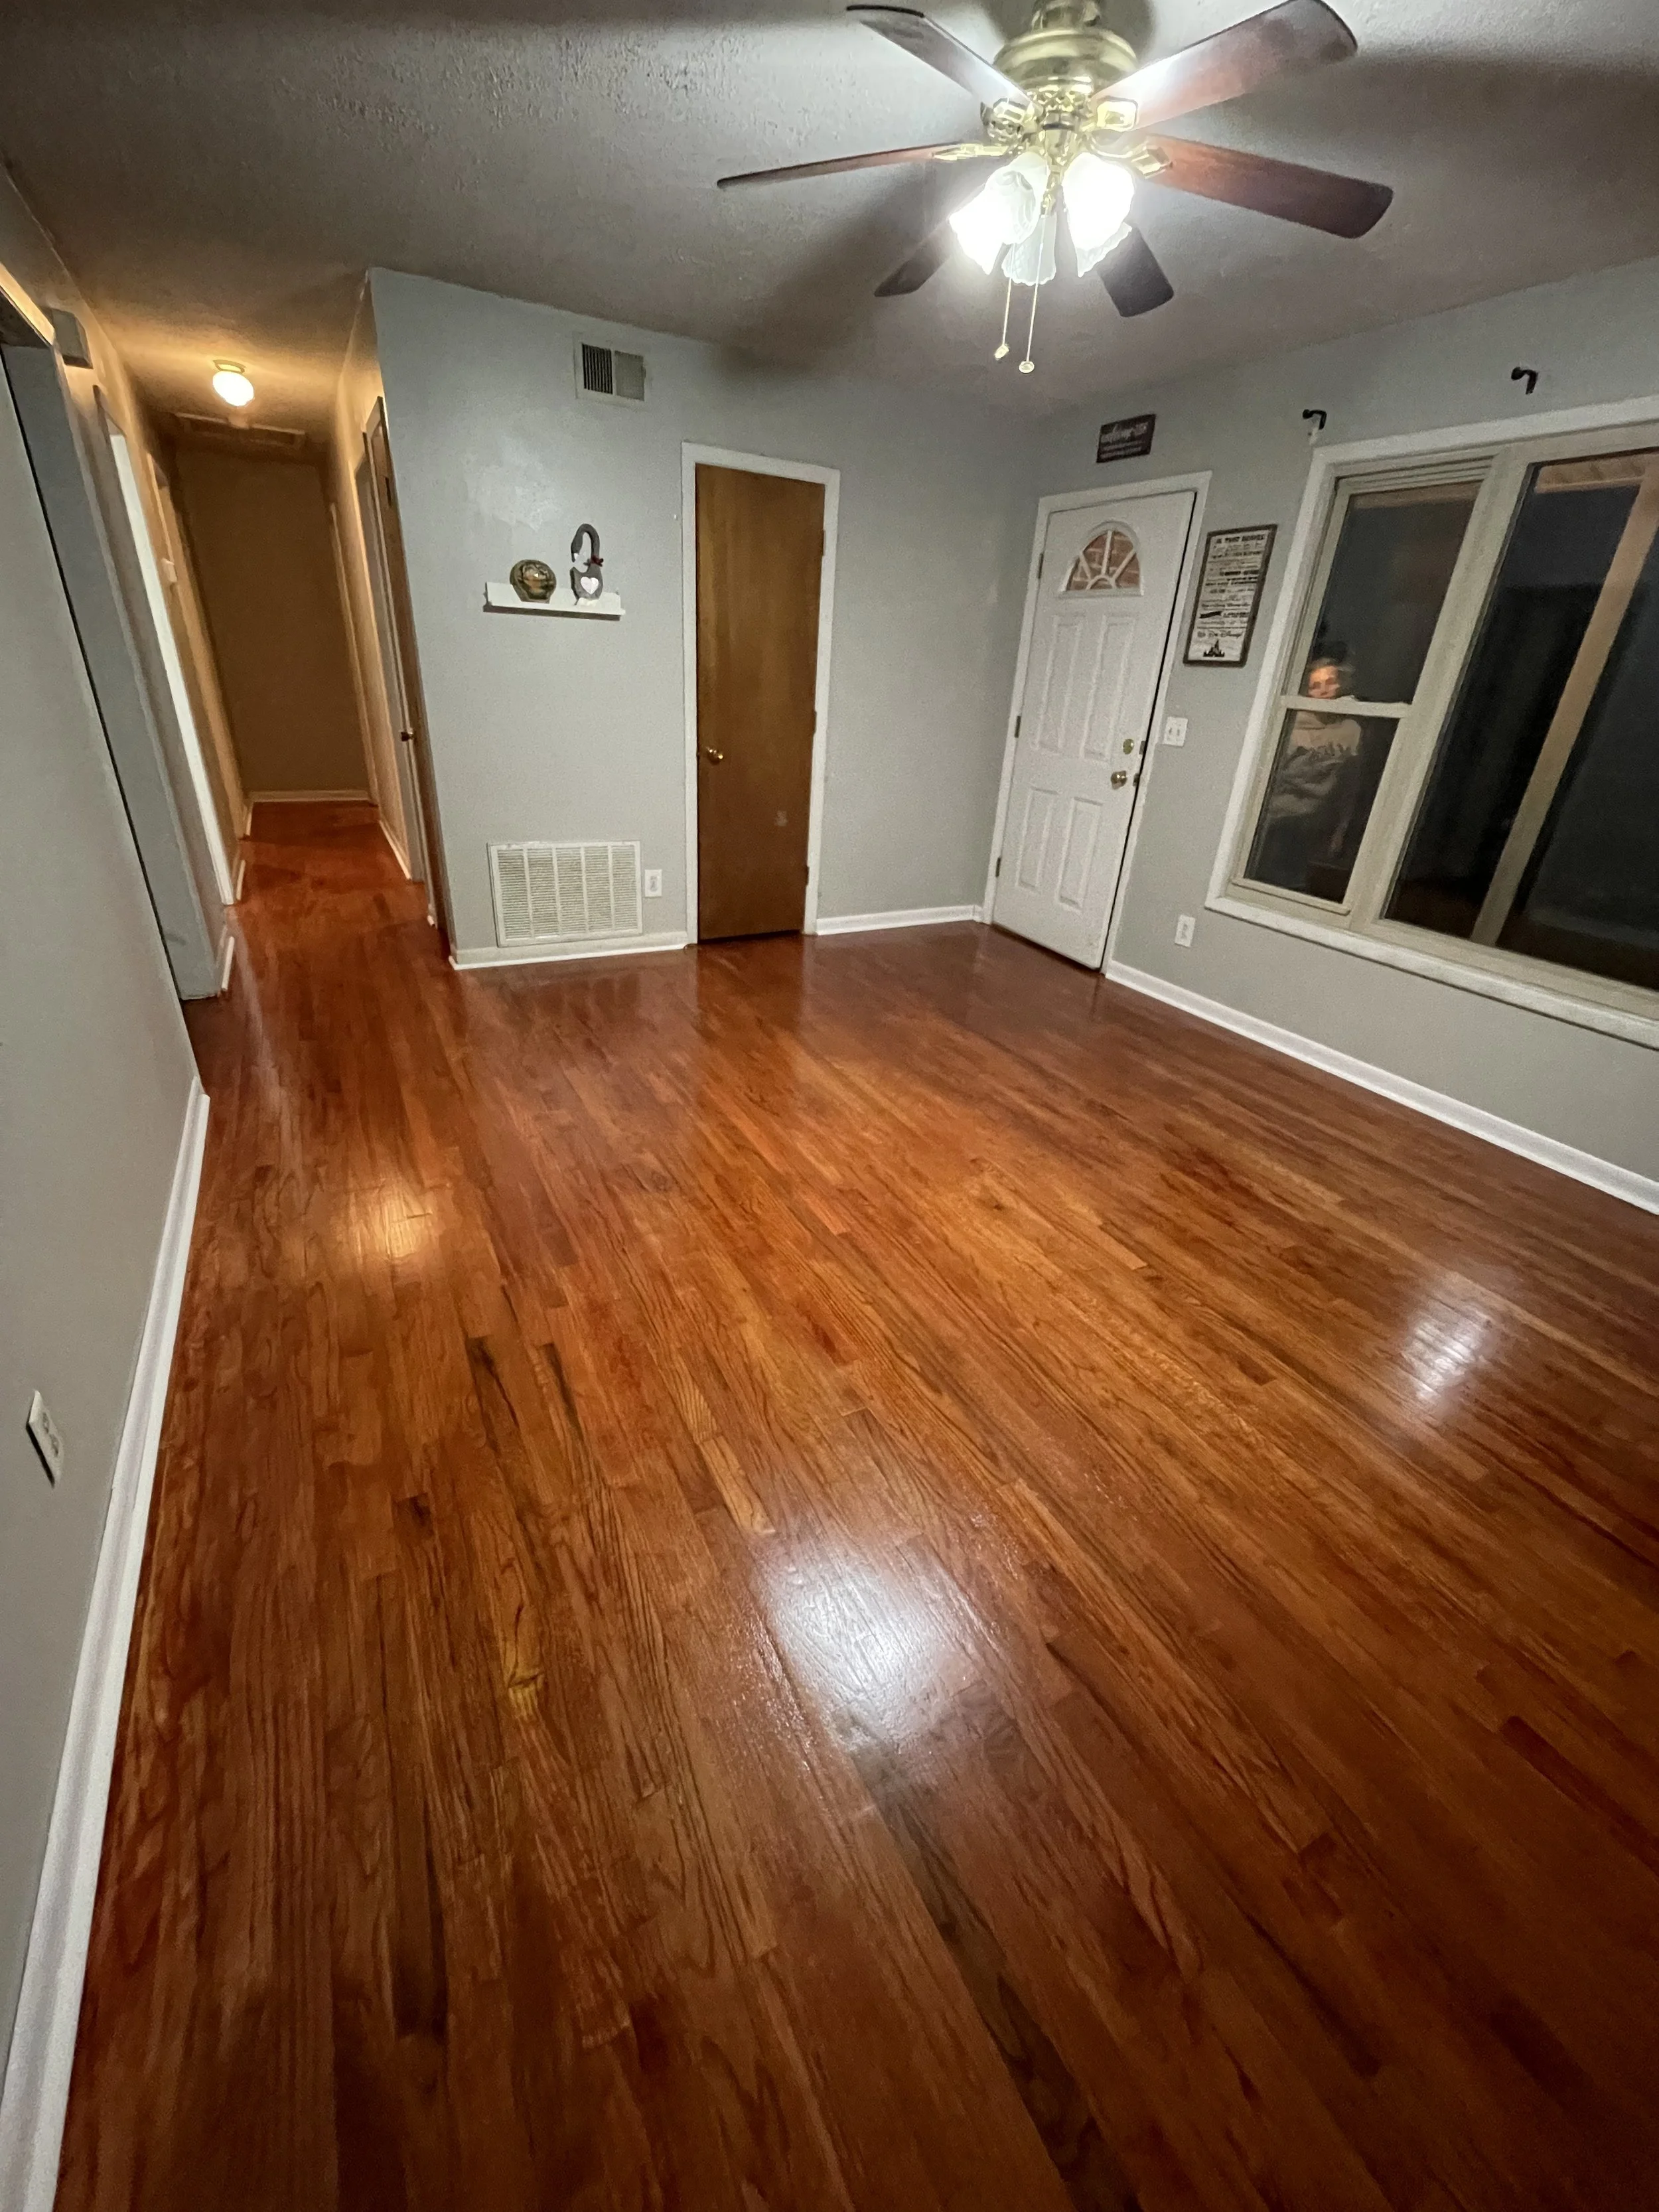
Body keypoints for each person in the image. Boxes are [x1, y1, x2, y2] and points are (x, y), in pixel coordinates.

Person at [1250, 651, 1367, 893]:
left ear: (1342, 685)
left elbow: (1351, 784)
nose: (1323, 691)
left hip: (1318, 821)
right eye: (1315, 686)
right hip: (1278, 817)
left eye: (1330, 683)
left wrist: (1342, 828)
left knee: (1299, 883)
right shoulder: (1292, 724)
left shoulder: (1351, 729)